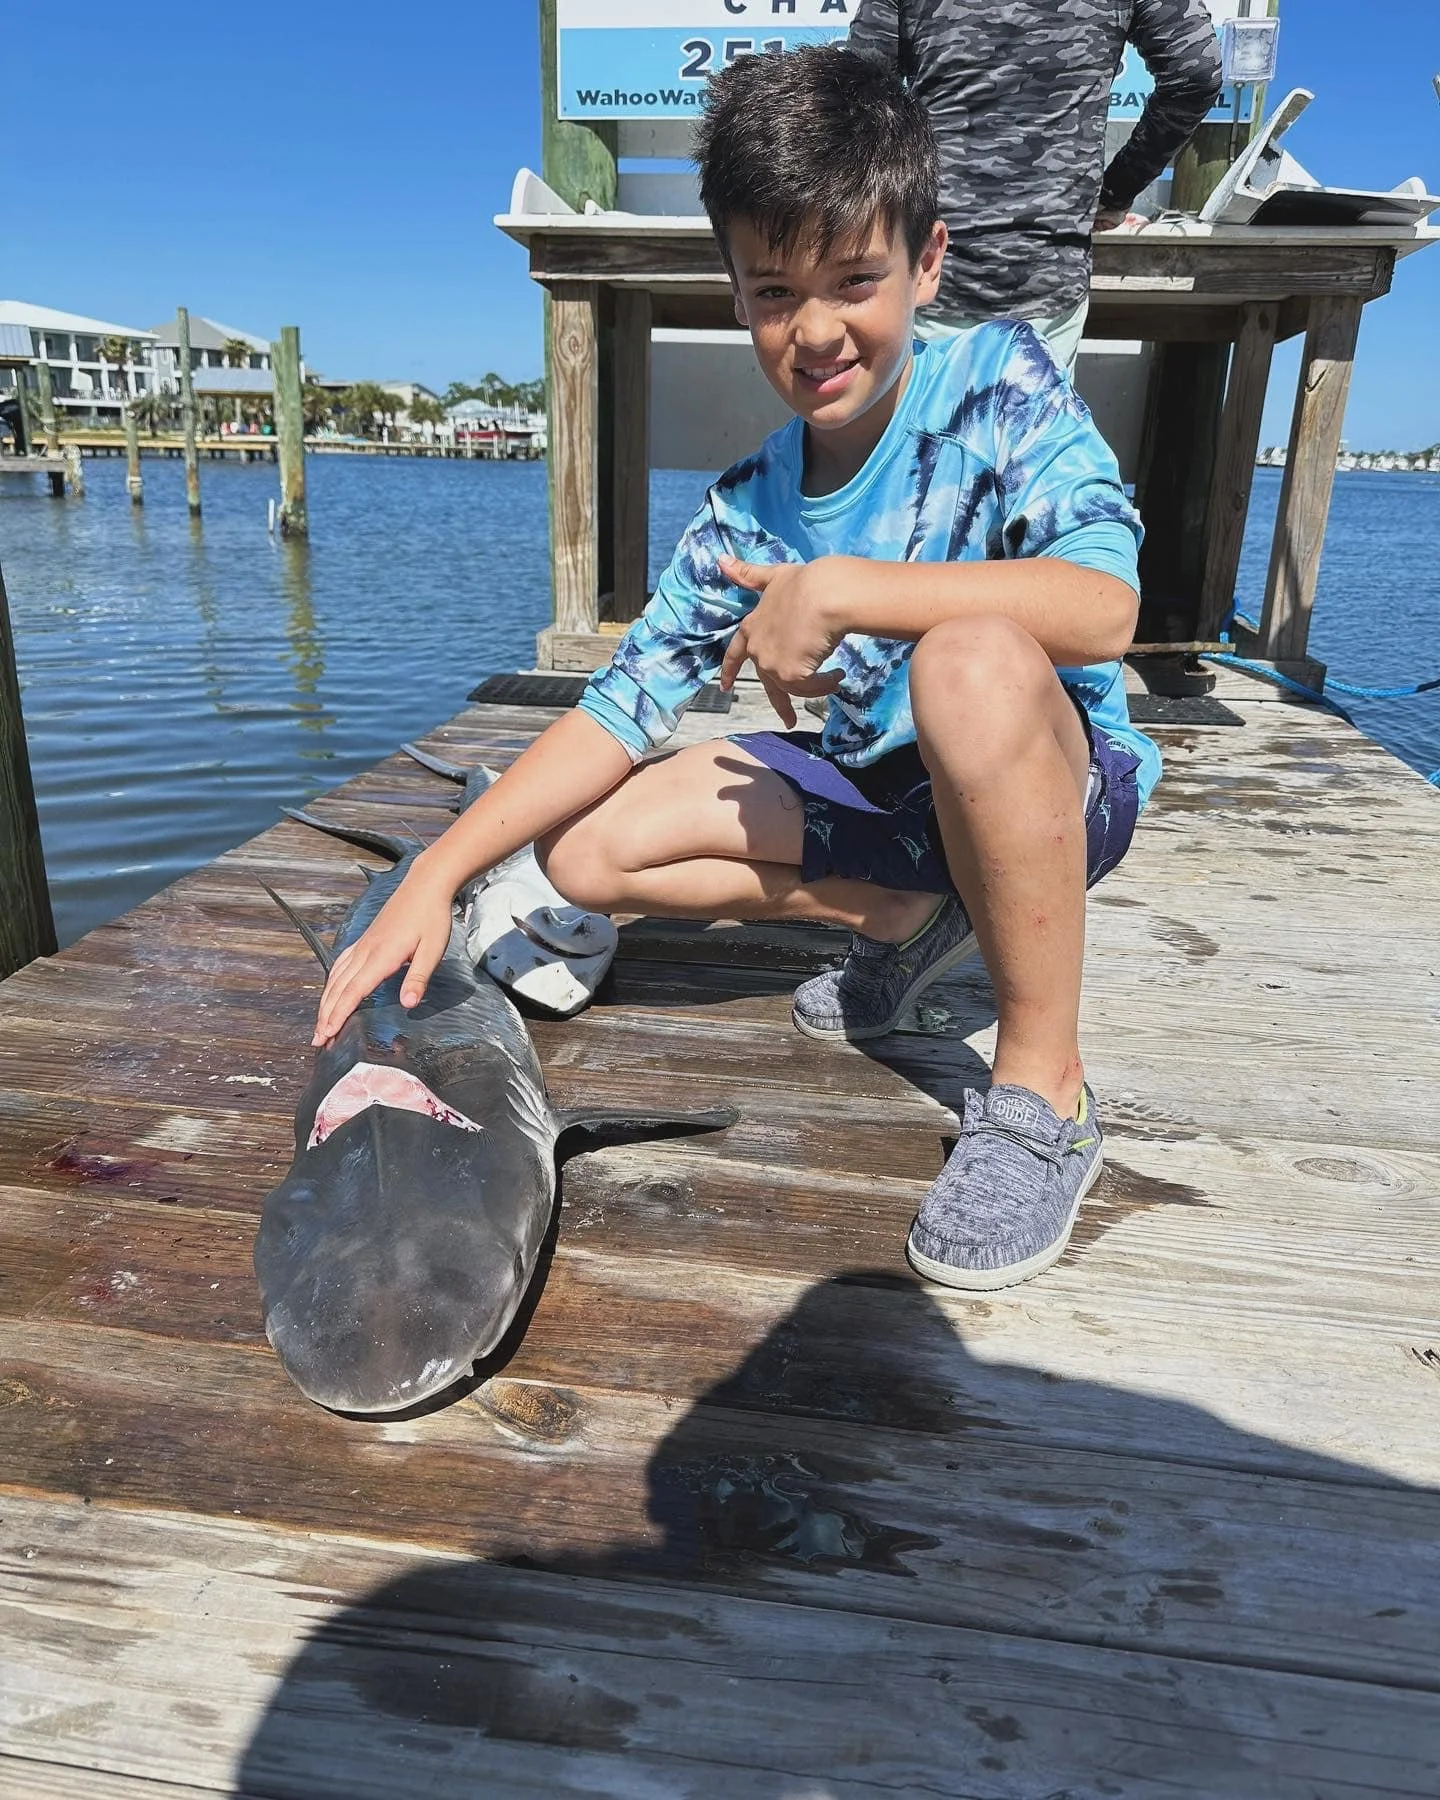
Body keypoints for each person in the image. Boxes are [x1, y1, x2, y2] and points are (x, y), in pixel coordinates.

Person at [311, 46, 1161, 1292]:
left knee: (973, 662)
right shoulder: (747, 506)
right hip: (882, 795)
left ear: (927, 260)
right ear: (733, 288)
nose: (814, 329)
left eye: (855, 280)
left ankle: (1043, 1087)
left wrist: (853, 591)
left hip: (1050, 790)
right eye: (772, 292)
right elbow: (618, 704)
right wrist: (439, 872)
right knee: (587, 857)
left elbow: (1105, 609)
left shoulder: (1003, 387)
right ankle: (924, 927)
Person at [849, 0, 1224, 368]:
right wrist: (1115, 191)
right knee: (1033, 430)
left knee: (924, 428)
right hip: (1046, 282)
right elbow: (1197, 72)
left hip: (930, 273)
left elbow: (855, 93)